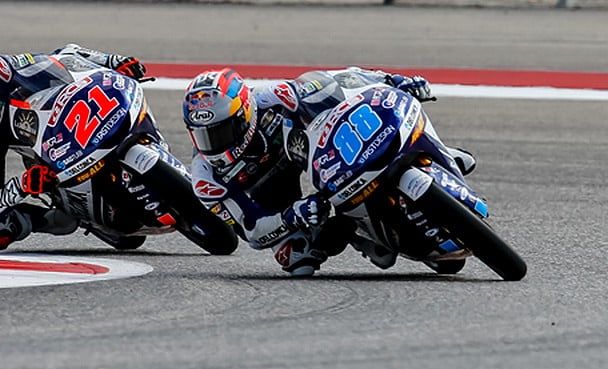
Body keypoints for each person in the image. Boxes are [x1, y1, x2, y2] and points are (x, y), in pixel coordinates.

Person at [182, 66, 476, 276]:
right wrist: (292, 216)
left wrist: (391, 80)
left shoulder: (272, 97)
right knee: (298, 258)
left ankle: (433, 153)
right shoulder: (206, 179)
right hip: (268, 196)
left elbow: (340, 79)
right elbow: (252, 230)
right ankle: (360, 234)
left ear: (245, 113)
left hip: (307, 152)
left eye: (220, 131)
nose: (212, 144)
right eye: (202, 135)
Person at [0, 44, 147, 250]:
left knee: (50, 81)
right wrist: (20, 187)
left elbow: (62, 56)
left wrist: (109, 62)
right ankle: (49, 217)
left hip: (14, 120)